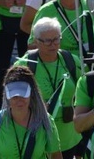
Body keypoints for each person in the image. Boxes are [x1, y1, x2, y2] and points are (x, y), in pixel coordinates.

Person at [15, 17, 84, 158]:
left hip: (68, 135)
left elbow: (84, 92)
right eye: (47, 41)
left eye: (56, 39)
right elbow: (13, 100)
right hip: (38, 135)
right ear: (36, 41)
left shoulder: (71, 61)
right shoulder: (24, 66)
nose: (53, 45)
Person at [0, 65, 62, 159]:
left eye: (23, 95)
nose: (19, 100)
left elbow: (55, 156)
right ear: (7, 96)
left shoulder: (46, 121)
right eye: (14, 96)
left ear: (31, 94)